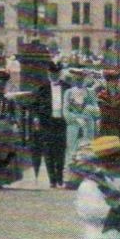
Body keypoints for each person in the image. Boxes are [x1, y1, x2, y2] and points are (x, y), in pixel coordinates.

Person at [30, 60, 70, 188]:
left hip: (62, 122)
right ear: (48, 74)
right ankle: (52, 180)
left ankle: (60, 178)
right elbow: (34, 106)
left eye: (56, 73)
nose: (54, 76)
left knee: (61, 150)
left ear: (60, 73)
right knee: (48, 151)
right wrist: (36, 118)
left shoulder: (67, 87)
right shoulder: (42, 88)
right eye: (52, 74)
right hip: (47, 123)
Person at [62, 71, 100, 174]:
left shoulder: (90, 92)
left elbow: (97, 110)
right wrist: (75, 118)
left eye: (81, 79)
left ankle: (87, 170)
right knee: (72, 147)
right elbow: (65, 111)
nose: (79, 81)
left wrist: (87, 111)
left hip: (87, 124)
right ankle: (71, 171)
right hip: (74, 125)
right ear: (73, 80)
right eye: (77, 79)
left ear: (85, 80)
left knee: (87, 146)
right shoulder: (68, 92)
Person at [96, 68, 120, 139]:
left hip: (118, 119)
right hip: (107, 119)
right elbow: (101, 105)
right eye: (112, 81)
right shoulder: (102, 93)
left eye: (116, 80)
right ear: (108, 82)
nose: (114, 83)